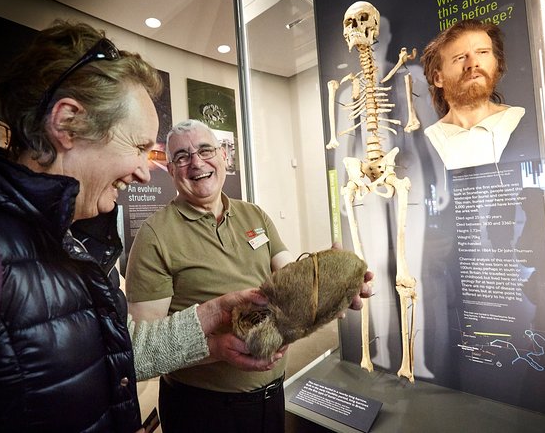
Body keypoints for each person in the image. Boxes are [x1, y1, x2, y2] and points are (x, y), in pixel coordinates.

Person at [0, 20, 280, 432]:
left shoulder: (71, 238)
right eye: (140, 147)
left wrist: (212, 320)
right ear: (68, 123)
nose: (146, 173)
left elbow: (113, 348)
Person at [125, 119, 372, 433]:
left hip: (271, 395)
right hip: (203, 408)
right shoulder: (154, 236)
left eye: (205, 150)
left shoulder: (254, 215)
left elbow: (290, 279)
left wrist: (331, 282)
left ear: (223, 157)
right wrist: (216, 348)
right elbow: (145, 349)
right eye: (183, 157)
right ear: (171, 171)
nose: (197, 162)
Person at [421, 19, 525, 170]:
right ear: (438, 78)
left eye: (483, 52)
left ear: (496, 63)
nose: (473, 63)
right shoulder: (429, 139)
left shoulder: (519, 120)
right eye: (460, 58)